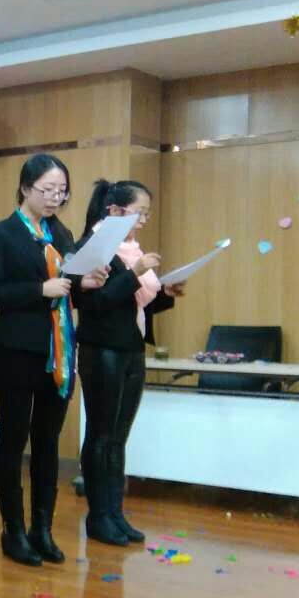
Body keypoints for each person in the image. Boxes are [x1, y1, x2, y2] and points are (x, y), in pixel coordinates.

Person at [0, 153, 106, 568]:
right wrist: (39, 290)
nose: (55, 198)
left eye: (61, 191)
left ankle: (42, 530)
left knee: (48, 441)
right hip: (16, 351)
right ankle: (13, 531)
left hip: (59, 350)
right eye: (47, 190)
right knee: (14, 439)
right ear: (24, 188)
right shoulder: (0, 232)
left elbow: (67, 290)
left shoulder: (62, 232)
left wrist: (85, 284)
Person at [73, 179, 182, 545]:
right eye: (140, 213)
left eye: (147, 214)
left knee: (119, 437)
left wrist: (166, 292)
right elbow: (95, 302)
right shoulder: (94, 246)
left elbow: (136, 303)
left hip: (132, 348)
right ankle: (98, 517)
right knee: (101, 435)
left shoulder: (132, 250)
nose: (144, 221)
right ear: (115, 211)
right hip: (102, 349)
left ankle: (115, 514)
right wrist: (135, 274)